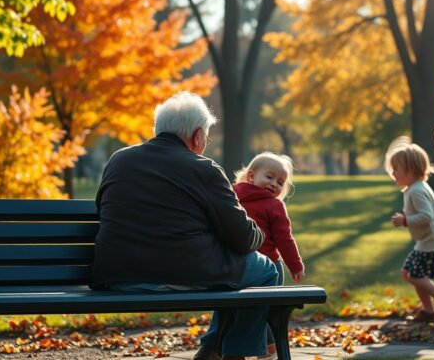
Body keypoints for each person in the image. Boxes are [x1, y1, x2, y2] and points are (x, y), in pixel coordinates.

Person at [90, 91, 278, 360]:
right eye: (207, 137)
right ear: (198, 135)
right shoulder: (203, 168)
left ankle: (211, 350)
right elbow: (243, 238)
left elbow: (103, 210)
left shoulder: (119, 159)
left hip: (117, 275)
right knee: (267, 271)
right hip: (183, 272)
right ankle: (236, 354)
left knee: (237, 273)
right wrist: (259, 233)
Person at [385, 137, 434, 324]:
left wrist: (405, 220)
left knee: (415, 275)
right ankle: (428, 310)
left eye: (396, 169)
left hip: (432, 241)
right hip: (428, 240)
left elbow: (427, 216)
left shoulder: (417, 190)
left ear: (411, 169)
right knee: (408, 272)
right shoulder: (413, 188)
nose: (393, 173)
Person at [233, 152, 305, 285]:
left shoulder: (230, 196)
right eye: (269, 177)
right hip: (268, 265)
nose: (273, 184)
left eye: (280, 182)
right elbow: (284, 238)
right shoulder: (274, 205)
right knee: (270, 303)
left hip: (235, 265)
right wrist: (296, 265)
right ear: (251, 176)